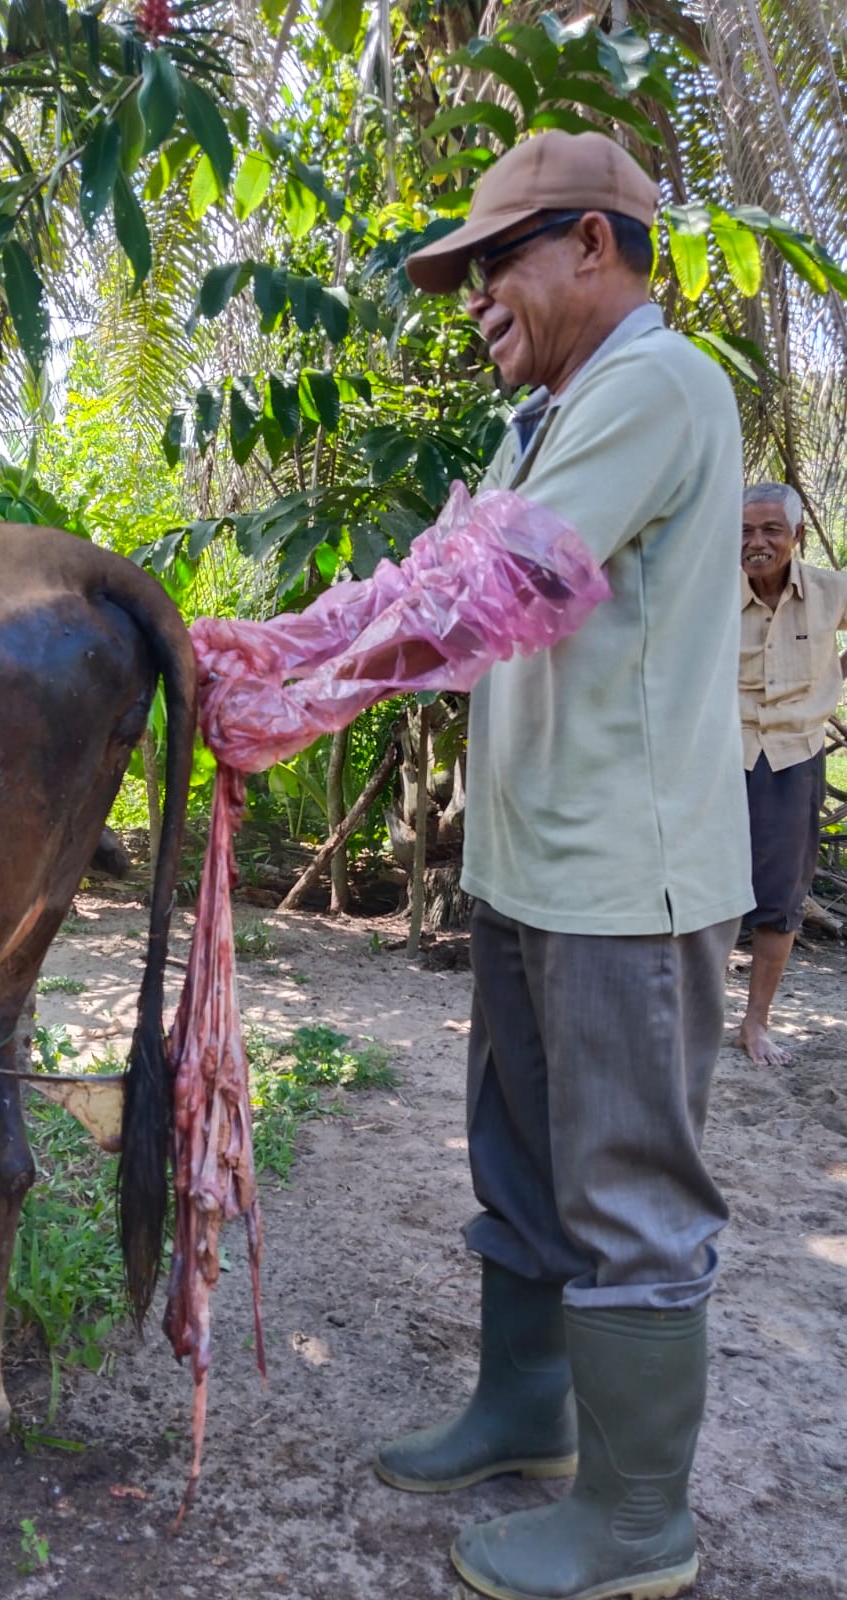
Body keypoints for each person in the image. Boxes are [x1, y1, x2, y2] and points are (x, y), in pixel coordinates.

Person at [373, 130, 753, 1600]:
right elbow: (434, 566)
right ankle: (526, 1407)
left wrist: (295, 679)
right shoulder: (541, 418)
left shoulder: (658, 383)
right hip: (534, 865)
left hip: (623, 879)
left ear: (596, 248)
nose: (472, 302)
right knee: (524, 1165)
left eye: (494, 266)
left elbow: (483, 586)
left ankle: (639, 1519)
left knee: (627, 1193)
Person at [737, 482, 847, 1066]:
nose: (757, 543)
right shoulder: (708, 594)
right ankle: (693, 1014)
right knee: (702, 889)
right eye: (746, 531)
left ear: (796, 535)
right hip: (718, 756)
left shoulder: (831, 590)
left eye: (771, 530)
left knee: (780, 899)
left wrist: (832, 673)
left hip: (795, 756)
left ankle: (756, 1023)